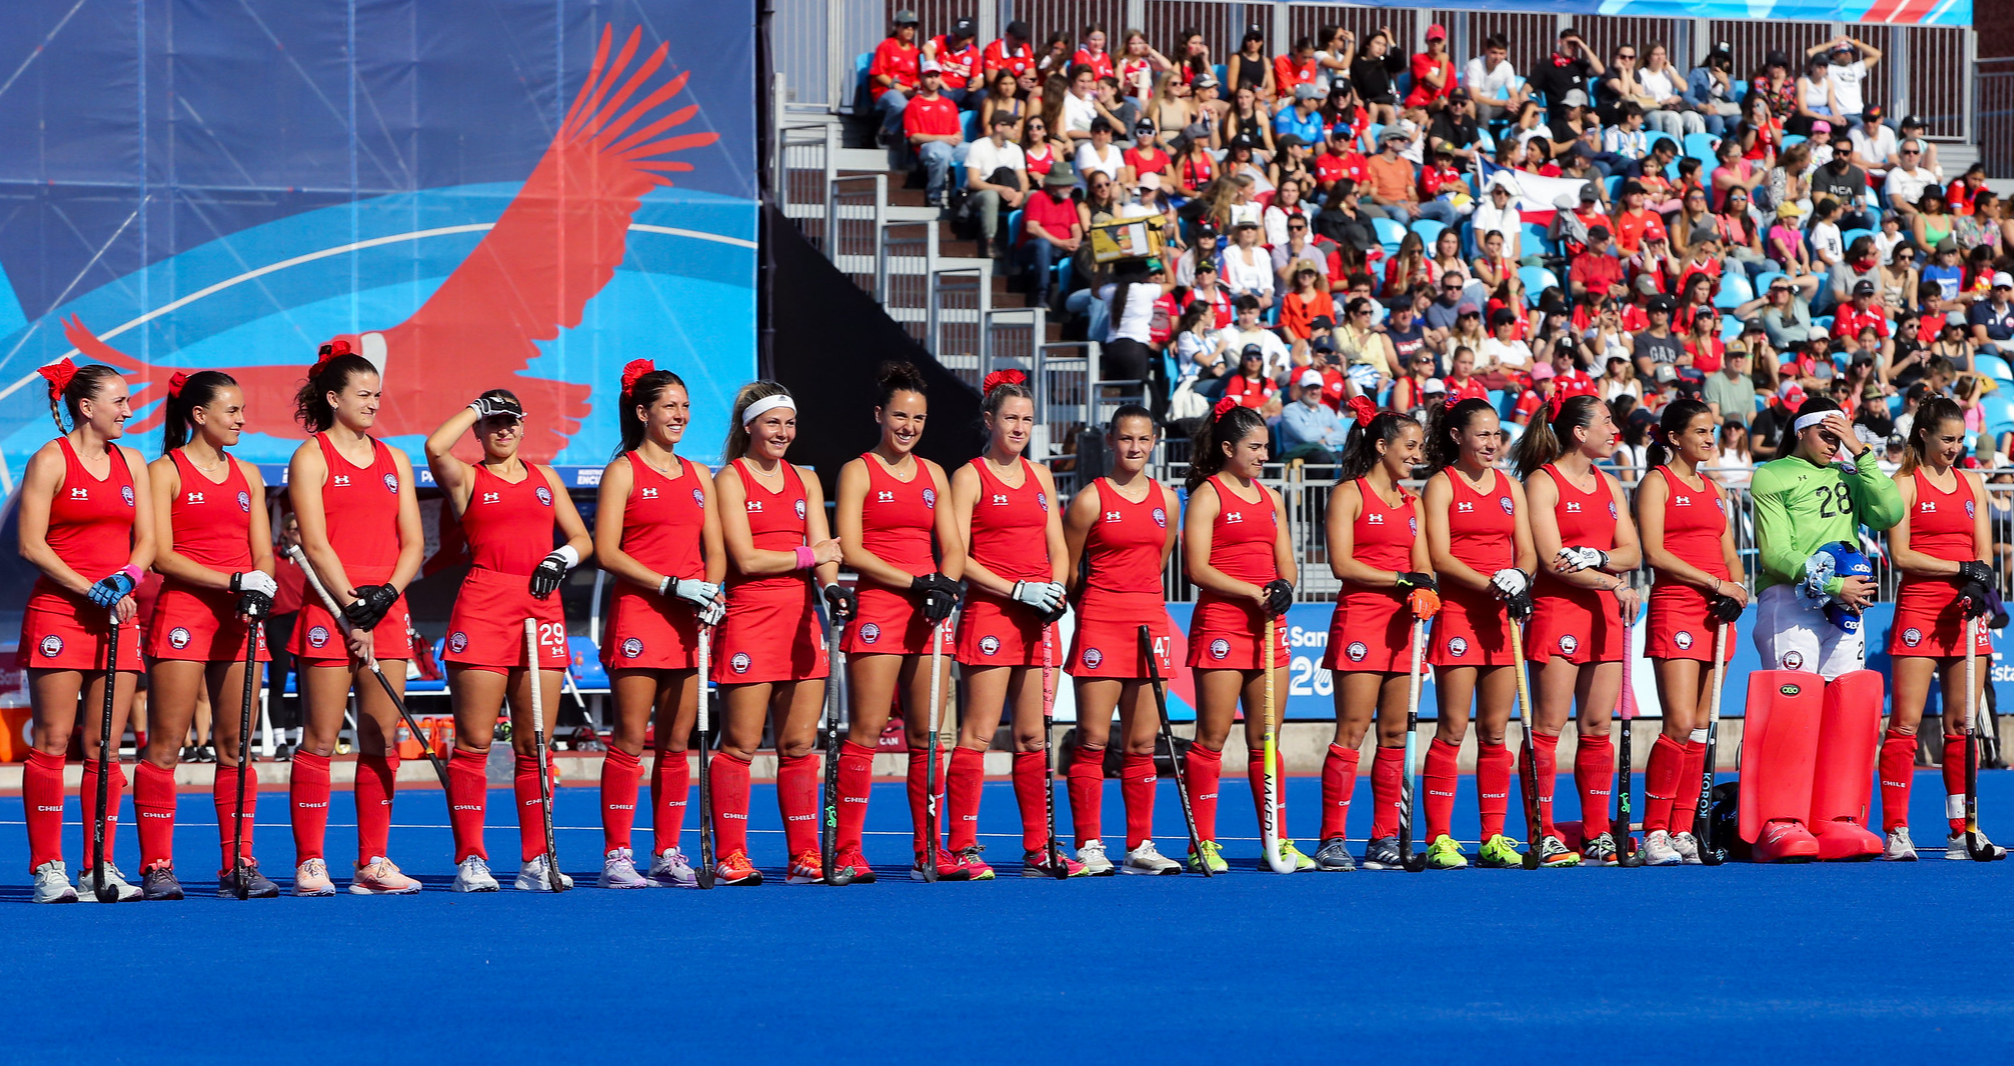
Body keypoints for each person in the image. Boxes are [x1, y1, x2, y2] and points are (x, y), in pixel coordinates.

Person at [425, 390, 592, 891]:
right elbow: (435, 447)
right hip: (484, 604)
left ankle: (536, 859)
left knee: (534, 744)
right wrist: (474, 407)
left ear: (523, 425)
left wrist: (562, 558)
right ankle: (471, 861)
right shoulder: (468, 477)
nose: (503, 431)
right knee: (475, 742)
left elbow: (582, 538)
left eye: (510, 422)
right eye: (492, 424)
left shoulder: (545, 478)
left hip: (541, 604)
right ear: (477, 431)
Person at [284, 342, 424, 895]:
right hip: (330, 605)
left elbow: (412, 541)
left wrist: (385, 596)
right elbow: (315, 543)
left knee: (380, 737)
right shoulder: (311, 456)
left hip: (385, 608)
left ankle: (373, 861)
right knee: (319, 738)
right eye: (362, 394)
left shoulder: (394, 459)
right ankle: (310, 862)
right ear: (333, 397)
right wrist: (351, 607)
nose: (372, 403)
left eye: (377, 395)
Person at [17, 360, 155, 903]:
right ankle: (47, 869)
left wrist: (127, 578)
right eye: (119, 401)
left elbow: (147, 539)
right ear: (86, 407)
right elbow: (31, 544)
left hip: (118, 616)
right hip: (59, 613)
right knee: (53, 740)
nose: (128, 410)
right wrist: (87, 587)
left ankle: (101, 866)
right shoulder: (50, 460)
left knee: (104, 746)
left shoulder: (134, 462)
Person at [138, 371, 277, 900]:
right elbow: (160, 554)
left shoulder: (249, 475)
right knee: (167, 744)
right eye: (232, 410)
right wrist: (233, 580)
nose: (242, 419)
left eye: (243, 410)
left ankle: (238, 862)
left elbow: (261, 548)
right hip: (184, 614)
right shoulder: (165, 471)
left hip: (241, 618)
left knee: (235, 747)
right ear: (198, 415)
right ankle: (157, 866)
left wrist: (256, 584)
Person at [942, 371, 1082, 879]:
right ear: (989, 420)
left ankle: (1039, 845)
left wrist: (1056, 590)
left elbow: (1059, 549)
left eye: (1026, 419)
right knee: (978, 734)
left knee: (1032, 737)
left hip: (1038, 617)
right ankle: (962, 845)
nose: (1019, 427)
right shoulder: (969, 476)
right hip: (991, 613)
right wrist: (1015, 588)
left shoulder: (1041, 476)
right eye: (1010, 418)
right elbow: (957, 556)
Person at [591, 361, 725, 889]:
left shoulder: (697, 475)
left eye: (686, 407)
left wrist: (710, 591)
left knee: (677, 742)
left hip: (690, 620)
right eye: (670, 406)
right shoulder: (623, 470)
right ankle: (616, 855)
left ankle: (667, 850)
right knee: (629, 739)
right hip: (643, 613)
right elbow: (605, 551)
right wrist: (670, 585)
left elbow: (714, 549)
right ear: (643, 412)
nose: (680, 416)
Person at [832, 363, 967, 882]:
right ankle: (847, 851)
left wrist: (946, 588)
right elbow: (852, 548)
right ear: (879, 416)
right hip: (881, 609)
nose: (908, 426)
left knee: (927, 736)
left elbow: (952, 546)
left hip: (929, 611)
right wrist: (917, 583)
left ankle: (928, 849)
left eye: (918, 418)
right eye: (900, 416)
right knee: (865, 732)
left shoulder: (934, 474)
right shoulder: (859, 470)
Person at [1514, 394, 1643, 866]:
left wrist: (1600, 558)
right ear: (1578, 432)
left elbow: (1632, 551)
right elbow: (1552, 560)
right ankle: (1542, 831)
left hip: (1605, 614)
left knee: (1597, 728)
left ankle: (1597, 832)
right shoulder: (1541, 482)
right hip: (1559, 611)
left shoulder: (1609, 484)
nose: (1616, 431)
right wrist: (1610, 578)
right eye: (1607, 423)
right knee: (1547, 729)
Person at [1182, 399, 1305, 873]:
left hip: (1268, 627)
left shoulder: (1271, 497)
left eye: (1266, 447)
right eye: (1254, 447)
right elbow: (1198, 568)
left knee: (1266, 738)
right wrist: (1254, 591)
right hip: (1222, 625)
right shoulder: (1209, 495)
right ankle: (1202, 843)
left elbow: (1286, 559)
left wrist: (1284, 587)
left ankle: (1277, 837)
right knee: (1211, 737)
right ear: (1228, 447)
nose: (1263, 456)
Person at [1315, 406, 1438, 870]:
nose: (1416, 454)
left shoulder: (1413, 502)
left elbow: (1422, 564)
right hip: (1362, 621)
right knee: (1351, 732)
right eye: (1409, 446)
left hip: (1404, 624)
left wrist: (1424, 588)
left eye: (1420, 446)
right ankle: (1331, 840)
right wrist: (1402, 580)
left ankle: (1384, 836)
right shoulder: (1349, 493)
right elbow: (1342, 565)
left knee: (1393, 735)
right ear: (1381, 447)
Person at [1878, 397, 2002, 861]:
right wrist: (1961, 567)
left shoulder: (1973, 482)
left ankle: (1960, 828)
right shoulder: (1903, 484)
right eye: (1946, 439)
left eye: (1960, 439)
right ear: (1923, 435)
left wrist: (1976, 583)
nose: (1955, 448)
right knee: (1905, 723)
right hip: (1920, 609)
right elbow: (1902, 556)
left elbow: (1984, 553)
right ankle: (1896, 829)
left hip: (1965, 611)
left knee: (1961, 725)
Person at [1060, 406, 1182, 874]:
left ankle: (1140, 846)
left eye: (1144, 440)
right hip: (1100, 623)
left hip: (1150, 622)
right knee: (1092, 739)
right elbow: (1069, 569)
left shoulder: (1167, 500)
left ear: (1154, 443)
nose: (1135, 447)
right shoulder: (1091, 499)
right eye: (1126, 439)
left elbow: (1160, 557)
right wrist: (1091, 609)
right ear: (1111, 441)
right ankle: (1089, 845)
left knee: (1141, 743)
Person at [1417, 398, 1537, 870]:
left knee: (1494, 731)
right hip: (1461, 616)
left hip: (1502, 618)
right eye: (1482, 434)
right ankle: (1440, 837)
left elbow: (1525, 551)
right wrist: (1492, 583)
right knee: (1451, 728)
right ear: (1457, 437)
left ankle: (1493, 836)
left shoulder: (1510, 486)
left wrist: (1519, 577)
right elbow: (1440, 556)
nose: (1492, 443)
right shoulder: (1441, 486)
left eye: (1496, 435)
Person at [1634, 399, 1746, 865]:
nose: (1709, 439)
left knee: (1700, 728)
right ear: (1674, 437)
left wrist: (1737, 587)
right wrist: (1714, 582)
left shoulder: (1714, 488)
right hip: (1677, 608)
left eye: (1712, 431)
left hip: (1716, 613)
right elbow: (1655, 552)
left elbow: (1731, 551)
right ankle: (1654, 832)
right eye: (1700, 431)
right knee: (1678, 723)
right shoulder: (1656, 483)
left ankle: (1683, 829)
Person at [1019, 163, 1083, 310]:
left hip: (1061, 248)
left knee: (1087, 248)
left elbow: (1075, 226)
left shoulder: (1068, 201)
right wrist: (1060, 243)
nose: (1071, 188)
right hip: (1035, 249)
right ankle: (1041, 294)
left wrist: (1075, 241)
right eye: (1067, 185)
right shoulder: (1037, 198)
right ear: (1055, 186)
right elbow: (1032, 228)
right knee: (1043, 244)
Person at [1530, 29, 1603, 134]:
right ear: (1560, 42)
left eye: (1575, 44)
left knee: (1612, 114)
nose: (1571, 47)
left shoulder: (1578, 64)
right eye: (1569, 43)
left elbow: (1600, 71)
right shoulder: (1546, 66)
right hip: (1562, 111)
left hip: (1581, 111)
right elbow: (1527, 88)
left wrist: (1584, 47)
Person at [870, 11, 923, 147]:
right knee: (900, 104)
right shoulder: (886, 46)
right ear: (897, 27)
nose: (910, 30)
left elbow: (916, 78)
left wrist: (914, 89)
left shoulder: (915, 51)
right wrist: (898, 88)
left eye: (913, 27)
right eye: (906, 26)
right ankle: (884, 132)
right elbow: (878, 74)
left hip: (907, 91)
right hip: (886, 90)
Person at [1813, 36, 1881, 131]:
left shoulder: (1855, 68)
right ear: (1835, 55)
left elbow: (1877, 54)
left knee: (1892, 124)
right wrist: (1833, 43)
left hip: (1861, 112)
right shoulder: (1829, 69)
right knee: (1862, 126)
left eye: (1850, 51)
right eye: (1843, 52)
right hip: (1843, 114)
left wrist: (1853, 41)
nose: (1847, 54)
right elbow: (1811, 53)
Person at [1279, 370, 1345, 465]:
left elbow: (1343, 435)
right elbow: (1305, 436)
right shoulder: (1290, 410)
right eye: (1310, 387)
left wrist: (1326, 440)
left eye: (1317, 388)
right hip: (1301, 453)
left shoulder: (1326, 410)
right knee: (1322, 458)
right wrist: (1325, 430)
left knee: (1352, 459)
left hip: (1329, 451)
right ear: (1301, 389)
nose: (1314, 392)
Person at [1465, 33, 1528, 125]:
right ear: (1486, 50)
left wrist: (1513, 104)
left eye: (1501, 53)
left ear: (1506, 54)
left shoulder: (1507, 67)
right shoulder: (1474, 66)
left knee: (1518, 110)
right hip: (1471, 106)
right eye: (1494, 52)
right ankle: (1482, 138)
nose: (1497, 57)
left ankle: (1509, 138)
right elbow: (1475, 97)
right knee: (1484, 110)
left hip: (1494, 106)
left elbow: (1513, 94)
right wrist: (1503, 103)